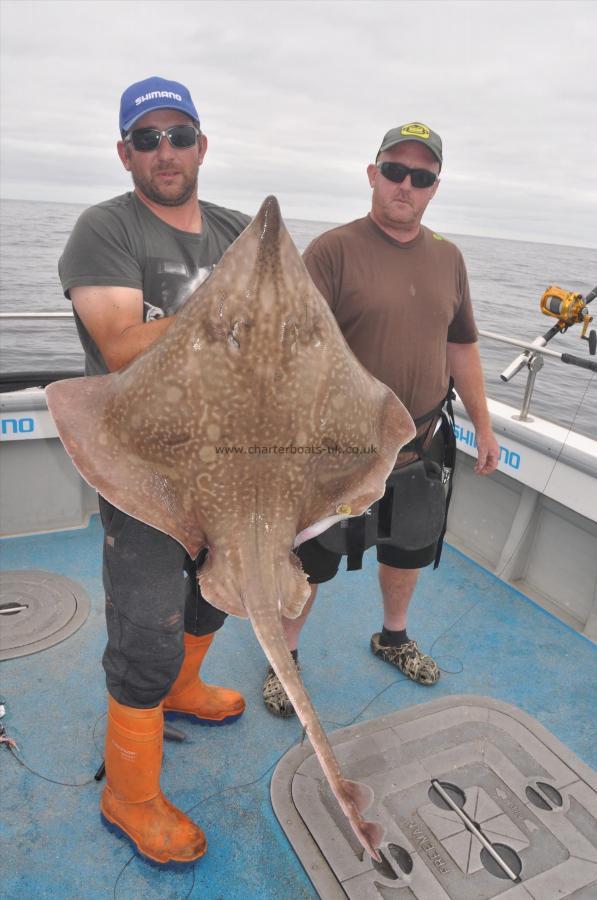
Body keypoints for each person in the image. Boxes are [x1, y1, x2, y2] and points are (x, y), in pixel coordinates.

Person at [58, 76, 251, 866]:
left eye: (179, 135)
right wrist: (231, 309)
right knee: (145, 622)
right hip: (141, 467)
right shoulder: (105, 227)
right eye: (148, 138)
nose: (165, 151)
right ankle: (129, 794)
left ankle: (185, 686)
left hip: (232, 457)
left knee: (219, 588)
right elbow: (118, 344)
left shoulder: (240, 229)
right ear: (125, 152)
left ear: (202, 145)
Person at [263, 122, 500, 717]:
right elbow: (291, 352)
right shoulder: (333, 250)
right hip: (338, 449)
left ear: (434, 188)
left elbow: (462, 346)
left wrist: (485, 426)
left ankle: (392, 636)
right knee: (309, 561)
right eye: (395, 171)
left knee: (408, 550)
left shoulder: (449, 257)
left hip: (422, 443)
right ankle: (284, 658)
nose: (405, 185)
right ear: (373, 175)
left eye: (420, 177)